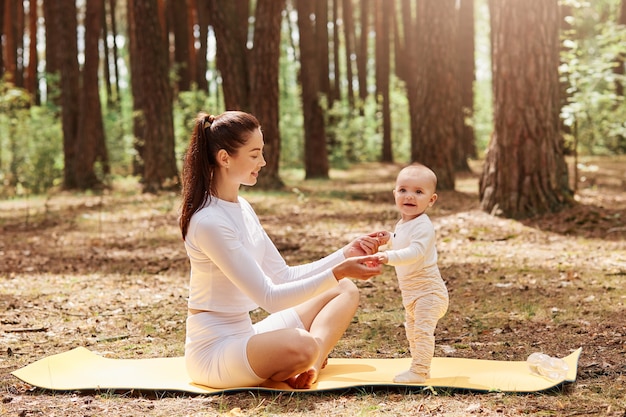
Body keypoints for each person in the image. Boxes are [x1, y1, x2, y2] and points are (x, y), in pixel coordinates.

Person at [179, 110, 388, 390]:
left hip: (247, 335)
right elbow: (270, 298)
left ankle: (311, 363)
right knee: (302, 344)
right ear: (225, 158)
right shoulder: (209, 222)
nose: (263, 162)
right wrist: (337, 271)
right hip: (214, 354)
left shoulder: (242, 208)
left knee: (344, 289)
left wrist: (345, 255)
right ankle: (306, 356)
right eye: (254, 155)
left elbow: (282, 275)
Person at [376, 163, 449, 383]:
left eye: (418, 192)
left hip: (429, 293)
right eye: (403, 190)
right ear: (395, 193)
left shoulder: (423, 225)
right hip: (411, 294)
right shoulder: (403, 223)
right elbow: (402, 240)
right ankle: (420, 368)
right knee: (412, 332)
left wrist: (388, 256)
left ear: (431, 200)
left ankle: (419, 371)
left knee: (422, 332)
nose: (410, 196)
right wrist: (388, 237)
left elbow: (416, 251)